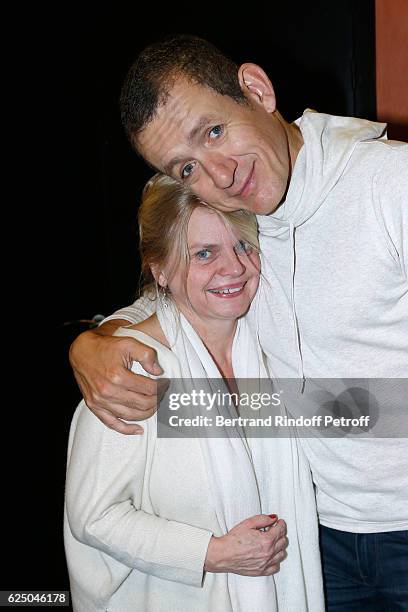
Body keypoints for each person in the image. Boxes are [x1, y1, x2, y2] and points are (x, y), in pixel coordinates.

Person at [69, 35, 408, 610]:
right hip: (321, 540)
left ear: (256, 89)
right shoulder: (245, 223)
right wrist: (96, 339)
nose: (220, 177)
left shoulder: (389, 184)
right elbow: (184, 285)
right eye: (187, 166)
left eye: (215, 131)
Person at [64, 173, 324, 612]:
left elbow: (366, 410)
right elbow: (94, 515)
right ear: (160, 269)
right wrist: (214, 552)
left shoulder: (272, 347)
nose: (234, 268)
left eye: (243, 245)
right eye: (204, 253)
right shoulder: (134, 370)